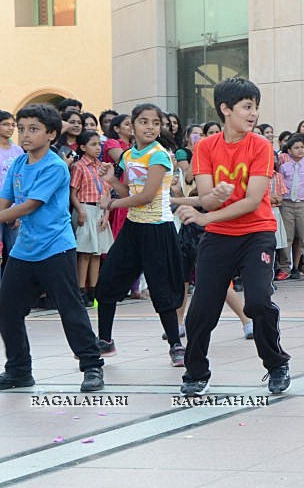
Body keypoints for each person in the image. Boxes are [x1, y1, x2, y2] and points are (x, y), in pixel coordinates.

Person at [176, 77, 291, 396]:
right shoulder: (205, 148)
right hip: (218, 236)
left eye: (255, 107)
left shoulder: (261, 146)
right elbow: (206, 196)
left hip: (257, 233)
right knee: (201, 309)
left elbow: (253, 200)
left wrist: (205, 214)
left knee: (257, 300)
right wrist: (214, 197)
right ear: (225, 109)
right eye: (247, 107)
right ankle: (195, 372)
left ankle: (276, 364)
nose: (253, 114)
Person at [0, 104, 104, 392]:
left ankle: (92, 366)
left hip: (56, 249)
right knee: (7, 309)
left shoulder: (55, 166)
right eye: (21, 129)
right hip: (24, 251)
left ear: (51, 134)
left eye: (33, 129)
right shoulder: (19, 164)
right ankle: (19, 370)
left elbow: (30, 205)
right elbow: (5, 202)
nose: (25, 135)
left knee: (70, 309)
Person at [94, 104, 186, 364]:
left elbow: (146, 197)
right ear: (131, 126)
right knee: (108, 281)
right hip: (134, 228)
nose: (150, 127)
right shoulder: (128, 156)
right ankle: (105, 340)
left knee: (162, 290)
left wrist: (110, 204)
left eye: (155, 123)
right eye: (144, 122)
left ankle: (175, 344)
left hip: (158, 229)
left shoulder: (158, 155)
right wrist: (112, 181)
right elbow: (128, 193)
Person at [70, 130, 113, 307]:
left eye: (99, 144)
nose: (98, 148)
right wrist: (80, 211)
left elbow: (107, 192)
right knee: (85, 253)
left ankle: (93, 290)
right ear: (82, 147)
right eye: (93, 144)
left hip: (100, 210)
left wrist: (107, 214)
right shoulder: (79, 166)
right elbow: (73, 192)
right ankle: (81, 290)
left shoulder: (102, 166)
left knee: (97, 253)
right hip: (85, 208)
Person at [279, 134, 304, 280]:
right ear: (289, 151)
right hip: (287, 204)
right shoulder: (284, 167)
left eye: (302, 147)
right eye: (296, 148)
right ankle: (285, 268)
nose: (300, 150)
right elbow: (281, 186)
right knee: (286, 238)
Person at [0, 111, 25, 272]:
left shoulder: (18, 152)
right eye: (5, 124)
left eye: (13, 125)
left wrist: (17, 210)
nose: (10, 128)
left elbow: (22, 181)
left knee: (15, 253)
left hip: (14, 208)